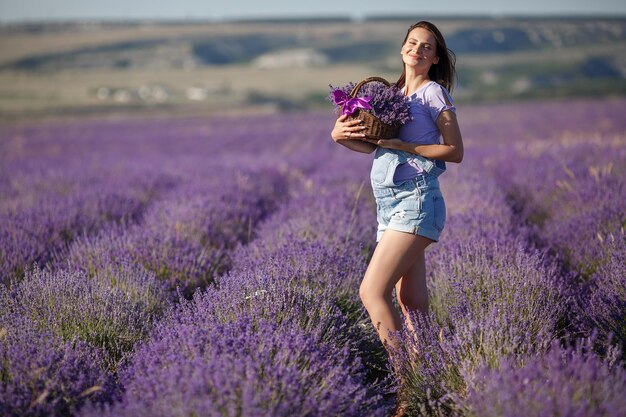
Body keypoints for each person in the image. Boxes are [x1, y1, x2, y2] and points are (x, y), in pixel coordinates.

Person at [330, 21, 463, 416]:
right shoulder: (390, 94)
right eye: (412, 43)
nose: (417, 50)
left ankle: (406, 386)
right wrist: (340, 135)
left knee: (371, 292)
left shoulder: (434, 93)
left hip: (417, 200)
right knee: (411, 302)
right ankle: (432, 382)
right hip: (388, 205)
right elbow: (374, 146)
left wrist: (407, 145)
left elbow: (454, 152)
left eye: (427, 47)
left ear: (435, 57)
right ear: (402, 49)